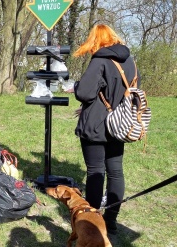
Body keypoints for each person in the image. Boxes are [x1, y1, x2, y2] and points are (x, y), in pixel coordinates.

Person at [71, 24, 140, 234]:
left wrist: (74, 86)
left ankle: (92, 221)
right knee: (116, 172)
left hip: (96, 125)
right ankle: (110, 221)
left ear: (95, 41)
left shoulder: (100, 60)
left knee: (95, 171)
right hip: (120, 123)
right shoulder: (130, 61)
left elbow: (85, 93)